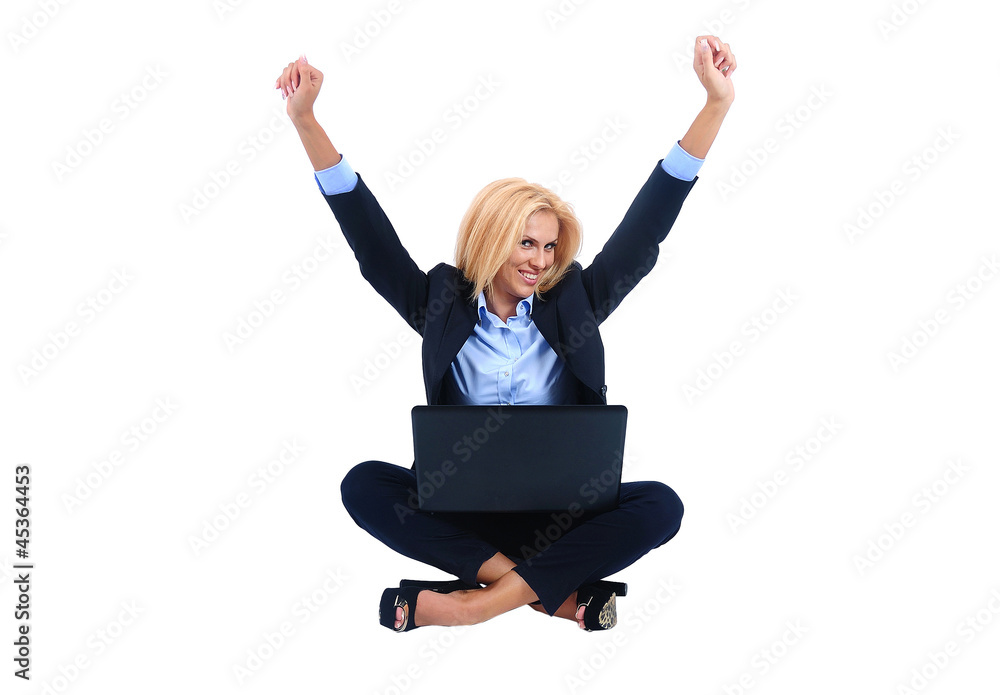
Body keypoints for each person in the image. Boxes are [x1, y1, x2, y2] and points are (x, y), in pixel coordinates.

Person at [274, 35, 736, 632]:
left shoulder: (575, 302)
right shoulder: (439, 303)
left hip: (562, 517)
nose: (540, 260)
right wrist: (306, 121)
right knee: (363, 485)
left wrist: (715, 105)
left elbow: (645, 230)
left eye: (549, 246)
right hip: (466, 519)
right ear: (492, 237)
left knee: (661, 505)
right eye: (526, 243)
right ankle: (552, 596)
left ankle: (470, 603)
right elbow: (370, 241)